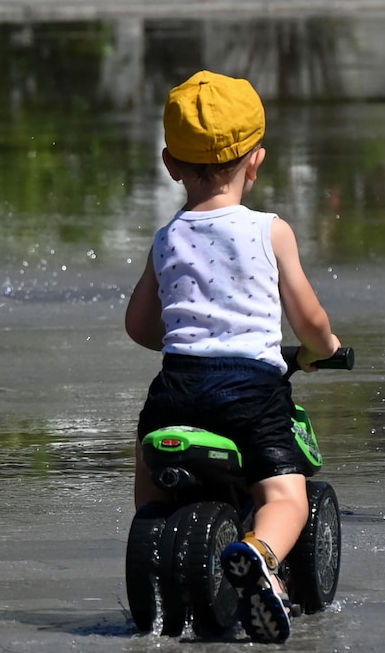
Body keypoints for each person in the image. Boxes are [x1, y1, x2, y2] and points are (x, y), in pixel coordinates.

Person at [125, 70, 340, 643]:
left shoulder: (167, 237)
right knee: (285, 493)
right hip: (251, 393)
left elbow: (140, 325)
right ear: (256, 161)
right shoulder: (271, 231)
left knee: (151, 474)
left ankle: (152, 535)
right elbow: (309, 319)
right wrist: (326, 350)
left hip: (177, 387)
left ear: (171, 165)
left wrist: (180, 339)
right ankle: (257, 554)